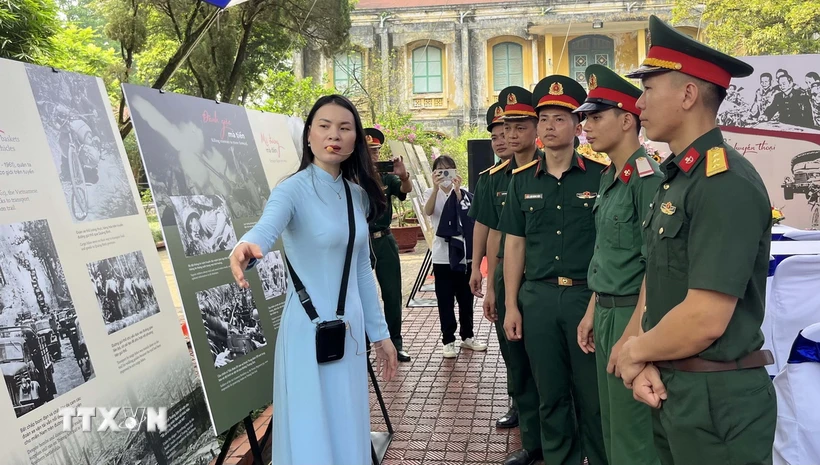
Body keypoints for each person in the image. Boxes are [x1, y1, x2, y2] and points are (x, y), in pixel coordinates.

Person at [614, 15, 776, 465]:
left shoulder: (724, 181)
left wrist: (634, 352)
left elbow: (705, 317)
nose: (638, 102)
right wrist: (646, 356)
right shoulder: (678, 178)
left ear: (687, 95)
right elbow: (663, 280)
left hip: (717, 400)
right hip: (677, 385)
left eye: (648, 89)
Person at [229, 95, 398, 465]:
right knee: (310, 426)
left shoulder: (357, 196)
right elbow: (267, 225)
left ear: (356, 139)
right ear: (308, 136)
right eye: (323, 126)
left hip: (350, 333)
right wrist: (247, 245)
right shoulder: (292, 190)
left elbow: (360, 273)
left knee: (348, 419)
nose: (333, 135)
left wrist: (381, 335)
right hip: (307, 331)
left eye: (344, 127)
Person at [498, 75, 608, 465]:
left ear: (578, 125)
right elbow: (515, 244)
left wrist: (597, 303)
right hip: (539, 298)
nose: (548, 126)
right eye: (543, 118)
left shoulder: (601, 177)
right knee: (550, 393)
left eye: (559, 118)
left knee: (592, 395)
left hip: (585, 297)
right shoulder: (521, 181)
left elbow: (609, 246)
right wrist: (511, 304)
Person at [574, 64, 662, 465]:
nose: (585, 127)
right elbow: (609, 253)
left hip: (634, 314)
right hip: (608, 311)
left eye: (595, 117)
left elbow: (655, 268)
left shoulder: (647, 179)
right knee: (612, 428)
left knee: (634, 436)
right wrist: (593, 310)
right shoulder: (612, 177)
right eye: (585, 119)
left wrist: (633, 335)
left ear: (628, 120)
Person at [485, 87, 545, 465]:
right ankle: (533, 440)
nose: (508, 134)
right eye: (504, 127)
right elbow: (494, 231)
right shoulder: (503, 178)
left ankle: (559, 440)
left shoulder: (550, 170)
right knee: (518, 363)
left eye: (517, 126)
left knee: (550, 366)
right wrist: (490, 282)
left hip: (544, 281)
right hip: (510, 277)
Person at [468, 102, 521, 429]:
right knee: (509, 343)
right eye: (496, 136)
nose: (501, 140)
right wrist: (478, 268)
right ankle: (517, 399)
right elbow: (484, 227)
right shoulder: (490, 179)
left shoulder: (540, 169)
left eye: (507, 133)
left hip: (538, 273)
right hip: (502, 270)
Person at [423, 155, 487, 358]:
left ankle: (467, 337)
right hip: (442, 256)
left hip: (462, 255)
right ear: (434, 173)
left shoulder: (463, 191)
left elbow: (468, 216)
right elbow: (428, 211)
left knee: (465, 298)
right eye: (440, 170)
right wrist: (435, 189)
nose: (445, 174)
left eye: (449, 170)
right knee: (445, 299)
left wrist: (458, 191)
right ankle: (448, 340)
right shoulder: (430, 192)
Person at [365, 127, 413, 363]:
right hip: (359, 242)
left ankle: (395, 343)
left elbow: (405, 190)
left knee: (392, 293)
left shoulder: (387, 176)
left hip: (384, 239)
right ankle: (363, 346)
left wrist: (403, 176)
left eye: (376, 152)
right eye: (369, 152)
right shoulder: (351, 175)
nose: (374, 157)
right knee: (359, 294)